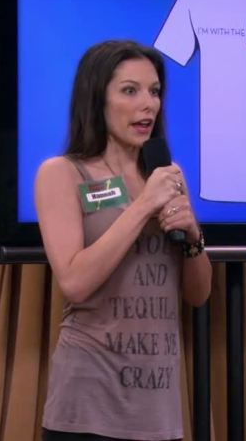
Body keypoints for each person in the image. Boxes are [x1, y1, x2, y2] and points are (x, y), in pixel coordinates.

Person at [35, 40, 213, 441]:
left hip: (158, 412)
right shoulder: (62, 173)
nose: (148, 104)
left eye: (154, 91)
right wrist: (144, 205)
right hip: (87, 406)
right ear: (97, 98)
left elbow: (198, 294)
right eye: (130, 91)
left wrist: (193, 237)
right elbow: (74, 282)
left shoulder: (167, 175)